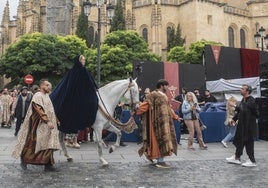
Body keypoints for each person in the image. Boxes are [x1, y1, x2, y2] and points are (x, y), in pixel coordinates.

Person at [12, 79, 61, 172]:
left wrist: (56, 120)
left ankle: (48, 164)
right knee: (35, 143)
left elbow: (50, 109)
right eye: (47, 85)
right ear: (41, 85)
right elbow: (39, 109)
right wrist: (47, 121)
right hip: (39, 125)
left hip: (49, 125)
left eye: (49, 85)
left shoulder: (47, 96)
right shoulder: (37, 96)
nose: (49, 87)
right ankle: (25, 159)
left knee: (48, 144)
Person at [50, 55, 99, 134]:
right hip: (80, 96)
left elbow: (64, 84)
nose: (84, 61)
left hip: (71, 97)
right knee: (93, 102)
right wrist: (95, 88)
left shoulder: (71, 71)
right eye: (83, 60)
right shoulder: (83, 70)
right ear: (79, 60)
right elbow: (90, 82)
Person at [136, 79, 178, 168]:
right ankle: (160, 161)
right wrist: (138, 110)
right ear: (162, 86)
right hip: (157, 123)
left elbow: (168, 108)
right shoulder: (153, 94)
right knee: (159, 140)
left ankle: (157, 158)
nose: (167, 87)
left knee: (165, 140)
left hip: (166, 122)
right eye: (166, 85)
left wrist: (175, 117)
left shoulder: (165, 96)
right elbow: (146, 104)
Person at [226, 84, 258, 167]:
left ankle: (252, 160)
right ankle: (237, 157)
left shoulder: (251, 100)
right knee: (240, 141)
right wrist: (234, 119)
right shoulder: (243, 100)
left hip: (249, 126)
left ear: (247, 91)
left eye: (243, 89)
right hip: (243, 125)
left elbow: (244, 108)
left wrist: (234, 106)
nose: (241, 90)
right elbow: (240, 112)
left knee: (249, 142)